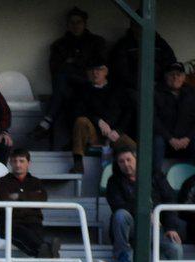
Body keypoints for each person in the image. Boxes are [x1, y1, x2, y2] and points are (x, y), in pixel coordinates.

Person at [105, 148, 183, 262]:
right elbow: (117, 205)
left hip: (156, 229)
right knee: (120, 215)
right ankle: (122, 256)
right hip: (132, 228)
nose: (126, 164)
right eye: (121, 161)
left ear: (137, 159)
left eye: (129, 160)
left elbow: (169, 199)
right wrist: (144, 213)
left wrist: (171, 227)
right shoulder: (114, 181)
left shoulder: (155, 176)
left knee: (176, 248)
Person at [31, 7, 107, 139]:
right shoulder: (59, 44)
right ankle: (60, 132)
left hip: (89, 83)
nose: (75, 26)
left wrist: (72, 62)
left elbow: (98, 65)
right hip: (68, 87)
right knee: (63, 81)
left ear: (85, 23)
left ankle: (47, 121)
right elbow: (54, 69)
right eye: (72, 22)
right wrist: (77, 63)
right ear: (67, 24)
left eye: (79, 22)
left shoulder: (96, 42)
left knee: (63, 79)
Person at [0, 149, 61, 262]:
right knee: (25, 235)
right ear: (10, 162)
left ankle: (44, 252)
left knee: (34, 235)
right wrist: (30, 199)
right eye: (14, 161)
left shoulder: (36, 182)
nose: (18, 164)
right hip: (11, 223)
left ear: (28, 163)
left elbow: (42, 198)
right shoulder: (1, 182)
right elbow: (4, 201)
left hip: (34, 222)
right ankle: (49, 250)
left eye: (21, 161)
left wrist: (18, 197)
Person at [68, 59, 134, 173]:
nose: (95, 73)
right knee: (81, 121)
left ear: (106, 71)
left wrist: (118, 131)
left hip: (114, 134)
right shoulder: (83, 90)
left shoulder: (117, 89)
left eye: (99, 69)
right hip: (92, 133)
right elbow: (78, 111)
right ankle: (78, 163)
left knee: (134, 148)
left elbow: (128, 112)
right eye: (92, 70)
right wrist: (98, 121)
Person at [108, 20, 177, 97]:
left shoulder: (160, 43)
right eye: (137, 26)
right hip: (133, 88)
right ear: (132, 27)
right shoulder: (124, 45)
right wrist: (138, 84)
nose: (142, 29)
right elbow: (120, 70)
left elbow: (171, 65)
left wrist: (160, 83)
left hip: (159, 87)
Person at [153, 62, 195, 169]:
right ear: (166, 76)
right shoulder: (156, 92)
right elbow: (153, 119)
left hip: (187, 140)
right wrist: (170, 139)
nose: (175, 77)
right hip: (165, 139)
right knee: (157, 141)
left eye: (179, 74)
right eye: (172, 74)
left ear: (184, 77)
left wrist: (188, 138)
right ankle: (156, 175)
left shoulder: (191, 92)